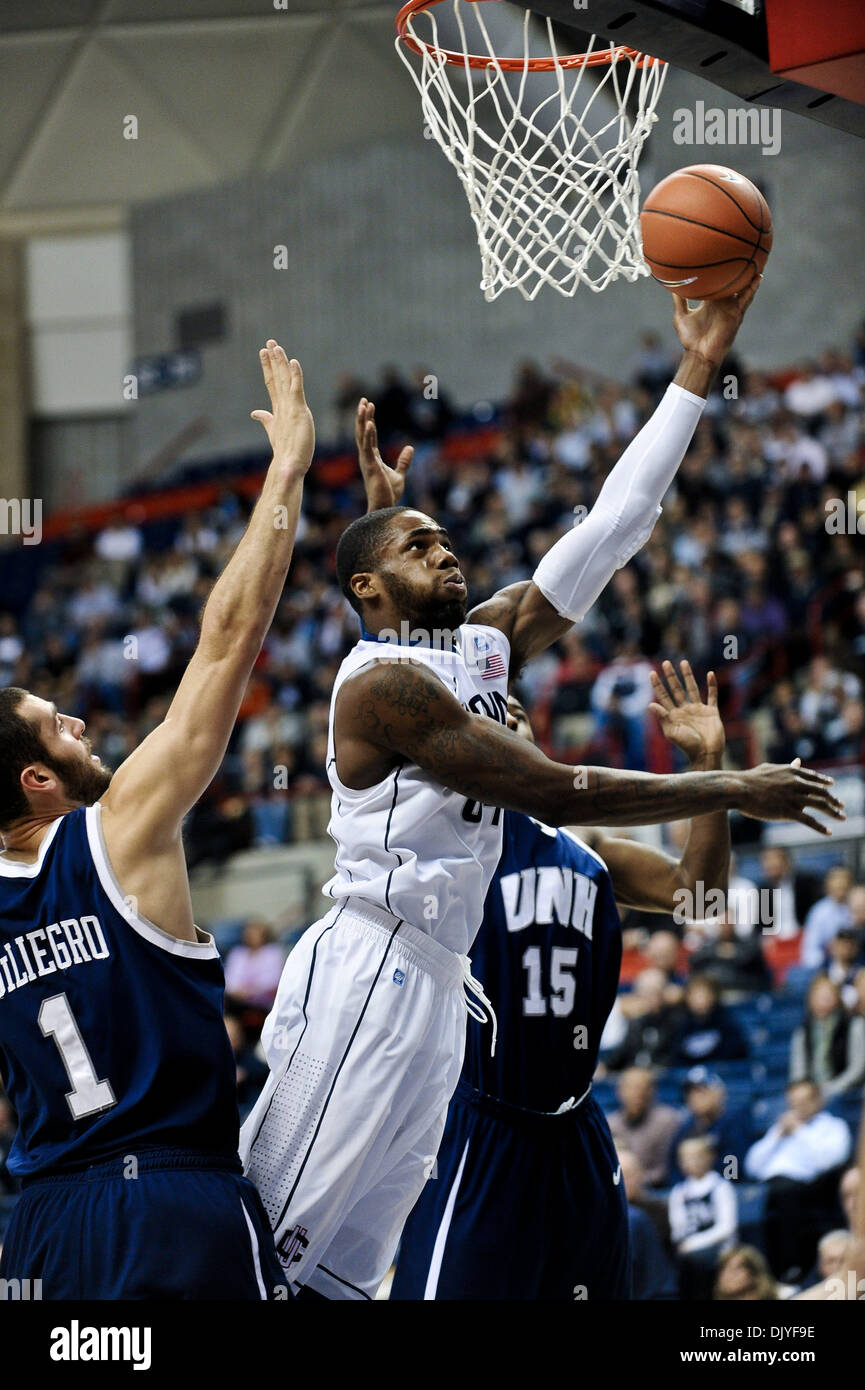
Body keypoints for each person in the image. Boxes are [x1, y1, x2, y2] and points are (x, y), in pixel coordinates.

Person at [240, 286, 844, 1301]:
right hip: (365, 963)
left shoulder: (479, 646)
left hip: (439, 995)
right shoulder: (379, 687)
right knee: (265, 1239)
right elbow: (559, 788)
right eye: (417, 545)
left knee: (343, 1274)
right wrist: (731, 781)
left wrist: (694, 372)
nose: (447, 551)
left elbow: (611, 528)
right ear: (368, 592)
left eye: (444, 537)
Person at [0, 339, 313, 1299]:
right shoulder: (116, 830)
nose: (83, 723)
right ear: (37, 782)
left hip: (44, 1232)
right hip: (172, 1208)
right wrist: (288, 473)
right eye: (60, 727)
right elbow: (225, 644)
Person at [392, 657, 732, 1300]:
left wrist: (708, 766)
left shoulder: (588, 847)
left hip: (577, 1126)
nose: (509, 714)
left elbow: (702, 898)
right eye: (489, 711)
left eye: (518, 710)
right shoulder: (442, 849)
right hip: (484, 1122)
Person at [745, 1078, 852, 1280]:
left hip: (813, 1187)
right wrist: (776, 1135)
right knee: (751, 1200)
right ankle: (762, 1275)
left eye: (804, 1100)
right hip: (771, 1187)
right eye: (793, 1101)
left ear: (819, 1100)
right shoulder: (779, 1129)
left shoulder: (833, 1127)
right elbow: (751, 1166)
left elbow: (828, 1161)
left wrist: (800, 1131)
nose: (798, 1106)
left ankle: (791, 1270)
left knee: (784, 1194)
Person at [668, 1136, 738, 1299]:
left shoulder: (721, 1186)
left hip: (720, 1249)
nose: (692, 1162)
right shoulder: (679, 1191)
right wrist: (683, 1242)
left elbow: (727, 1227)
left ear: (709, 1157)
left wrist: (694, 1243)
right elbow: (677, 1226)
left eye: (697, 1156)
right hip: (688, 1250)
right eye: (686, 1158)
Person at [670, 1068, 753, 1182]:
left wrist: (714, 1183)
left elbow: (734, 1163)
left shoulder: (733, 1122)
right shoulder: (686, 1129)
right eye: (690, 1093)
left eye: (701, 1091)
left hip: (725, 1188)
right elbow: (673, 1165)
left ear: (718, 1093)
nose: (695, 1097)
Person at [788, 974, 865, 1097]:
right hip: (812, 1095)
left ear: (837, 997)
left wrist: (831, 1089)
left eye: (829, 994)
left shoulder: (853, 1025)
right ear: (811, 998)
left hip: (845, 1092)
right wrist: (805, 1090)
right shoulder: (803, 1030)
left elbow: (858, 1069)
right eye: (820, 995)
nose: (824, 998)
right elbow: (798, 1072)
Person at [618, 1149, 678, 1301]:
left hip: (652, 1283)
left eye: (628, 1175)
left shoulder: (656, 1211)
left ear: (641, 1175)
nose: (624, 1182)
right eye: (619, 1176)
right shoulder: (605, 1213)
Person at [608, 1068, 683, 1189]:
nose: (637, 1093)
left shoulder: (667, 1120)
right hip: (620, 1187)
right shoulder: (611, 1123)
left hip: (656, 1188)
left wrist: (636, 1180)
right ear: (619, 1091)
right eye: (631, 1088)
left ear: (652, 1091)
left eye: (643, 1088)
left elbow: (669, 1168)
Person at [670, 975, 749, 1066]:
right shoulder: (682, 1026)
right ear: (688, 999)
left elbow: (734, 1054)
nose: (701, 1001)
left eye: (704, 995)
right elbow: (677, 1058)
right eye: (696, 996)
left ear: (714, 996)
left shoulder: (728, 1023)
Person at [224, 919, 287, 1011]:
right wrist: (237, 991)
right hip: (236, 1000)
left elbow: (273, 980)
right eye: (249, 933)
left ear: (264, 935)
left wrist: (251, 992)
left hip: (263, 1002)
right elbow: (229, 979)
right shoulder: (237, 953)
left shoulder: (273, 953)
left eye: (255, 933)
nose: (251, 936)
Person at [799, 866, 854, 970]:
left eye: (844, 884)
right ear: (828, 886)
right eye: (837, 884)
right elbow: (810, 949)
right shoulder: (819, 912)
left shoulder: (857, 905)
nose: (840, 886)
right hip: (828, 964)